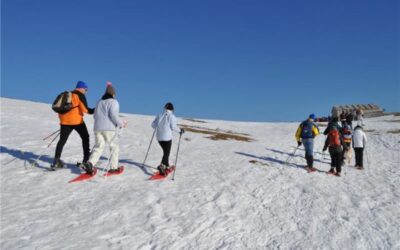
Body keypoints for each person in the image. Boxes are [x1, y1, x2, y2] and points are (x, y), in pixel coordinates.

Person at [82, 82, 126, 175]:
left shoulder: (99, 102)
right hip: (109, 129)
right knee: (113, 147)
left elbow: (95, 115)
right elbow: (113, 115)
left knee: (98, 147)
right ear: (113, 94)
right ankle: (113, 168)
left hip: (97, 128)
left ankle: (90, 163)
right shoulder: (114, 102)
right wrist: (121, 123)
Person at [51, 81, 94, 170]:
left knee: (62, 141)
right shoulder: (79, 95)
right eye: (86, 90)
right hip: (77, 121)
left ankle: (56, 161)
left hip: (64, 121)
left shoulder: (68, 95)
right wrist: (95, 110)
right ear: (82, 88)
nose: (86, 92)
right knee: (85, 137)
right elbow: (86, 110)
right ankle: (86, 160)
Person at [151, 102, 184, 176]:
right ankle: (162, 166)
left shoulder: (159, 115)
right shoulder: (171, 116)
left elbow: (153, 125)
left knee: (165, 152)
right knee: (166, 153)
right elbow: (173, 127)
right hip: (167, 138)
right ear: (172, 109)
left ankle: (166, 164)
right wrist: (180, 131)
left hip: (159, 138)